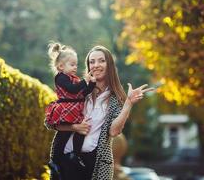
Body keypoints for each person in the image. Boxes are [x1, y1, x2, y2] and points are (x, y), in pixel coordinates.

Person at [45, 45, 155, 180]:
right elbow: (50, 123)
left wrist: (128, 103)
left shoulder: (115, 99)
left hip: (94, 162)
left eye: (101, 61)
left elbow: (114, 131)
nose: (96, 65)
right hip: (65, 160)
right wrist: (75, 127)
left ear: (109, 65)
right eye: (92, 62)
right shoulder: (78, 90)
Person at [45, 42, 96, 176]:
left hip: (76, 108)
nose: (75, 67)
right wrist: (84, 81)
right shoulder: (61, 78)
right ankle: (54, 160)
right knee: (63, 135)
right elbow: (72, 89)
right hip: (66, 109)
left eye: (76, 64)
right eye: (72, 64)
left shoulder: (75, 79)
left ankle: (76, 154)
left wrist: (92, 84)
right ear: (61, 66)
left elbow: (83, 93)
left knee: (80, 132)